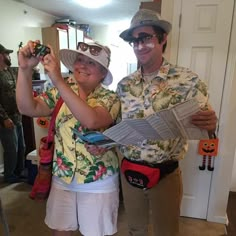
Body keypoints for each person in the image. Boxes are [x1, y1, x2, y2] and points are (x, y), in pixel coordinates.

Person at [117, 9, 217, 236]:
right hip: (129, 170)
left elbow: (208, 126)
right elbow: (118, 124)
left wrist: (211, 124)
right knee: (135, 229)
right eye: (134, 41)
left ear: (162, 39)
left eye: (146, 38)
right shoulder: (124, 85)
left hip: (165, 174)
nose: (139, 46)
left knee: (167, 231)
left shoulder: (187, 80)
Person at [16, 41, 121, 236]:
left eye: (91, 63)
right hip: (62, 179)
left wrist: (58, 79)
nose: (81, 65)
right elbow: (26, 108)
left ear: (103, 73)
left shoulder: (110, 98)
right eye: (80, 60)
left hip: (98, 182)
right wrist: (25, 70)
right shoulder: (59, 92)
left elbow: (91, 119)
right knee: (61, 232)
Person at [0, 44, 26, 184]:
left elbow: (24, 70)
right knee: (12, 149)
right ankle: (9, 175)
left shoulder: (10, 71)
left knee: (21, 147)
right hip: (6, 119)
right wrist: (4, 118)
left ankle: (19, 171)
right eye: (6, 54)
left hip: (17, 115)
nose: (9, 57)